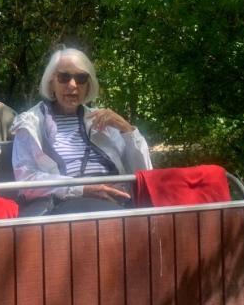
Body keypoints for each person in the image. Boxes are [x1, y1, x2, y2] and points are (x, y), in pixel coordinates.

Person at [10, 47, 152, 216]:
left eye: (81, 78)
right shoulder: (30, 124)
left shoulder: (102, 120)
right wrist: (83, 189)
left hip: (118, 201)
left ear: (88, 86)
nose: (72, 85)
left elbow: (144, 172)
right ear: (51, 83)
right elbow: (27, 180)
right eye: (64, 77)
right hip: (65, 206)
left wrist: (127, 130)